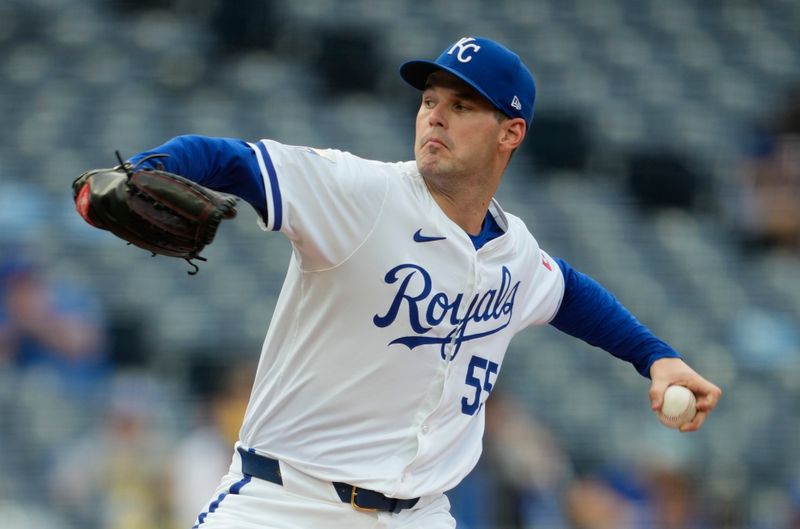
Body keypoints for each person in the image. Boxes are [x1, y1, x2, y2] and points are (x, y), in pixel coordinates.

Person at [77, 37, 722, 529]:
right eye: (429, 100)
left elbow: (570, 293)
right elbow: (230, 159)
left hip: (419, 514)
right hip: (287, 503)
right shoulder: (361, 194)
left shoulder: (514, 252)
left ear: (511, 134)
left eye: (461, 105)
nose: (435, 117)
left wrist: (655, 357)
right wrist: (146, 169)